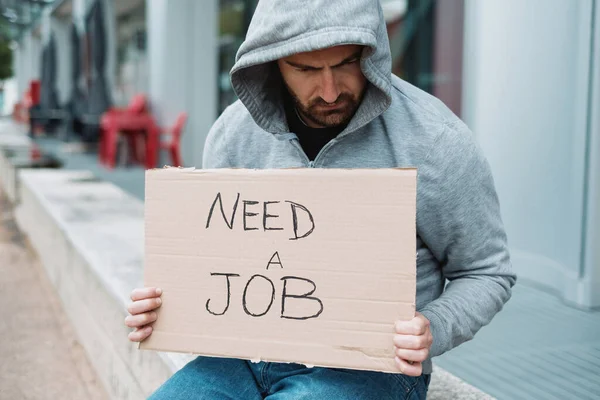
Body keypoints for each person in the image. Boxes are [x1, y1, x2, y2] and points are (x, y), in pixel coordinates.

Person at [125, 0, 516, 398]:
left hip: (370, 365)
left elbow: (487, 272)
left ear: (372, 51)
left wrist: (433, 326)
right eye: (307, 69)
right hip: (241, 358)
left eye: (347, 63)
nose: (330, 90)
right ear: (272, 62)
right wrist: (165, 306)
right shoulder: (232, 134)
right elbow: (215, 264)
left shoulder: (435, 140)